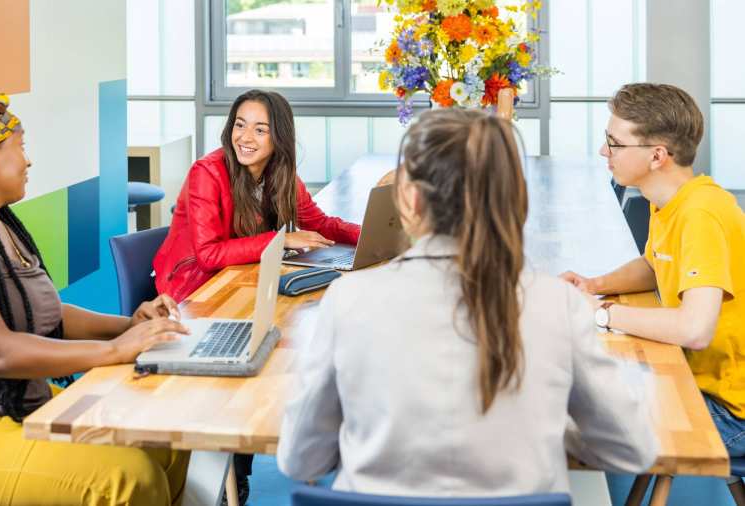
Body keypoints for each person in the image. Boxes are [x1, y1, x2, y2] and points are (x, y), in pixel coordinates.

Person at [276, 107, 658, 497]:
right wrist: (549, 420)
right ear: (514, 198)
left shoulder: (348, 300)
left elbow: (300, 459)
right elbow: (633, 449)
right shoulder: (557, 304)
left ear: (407, 200)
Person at [0, 93, 190, 506]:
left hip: (15, 404)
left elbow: (45, 314)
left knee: (163, 437)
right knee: (127, 479)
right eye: (20, 146)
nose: (27, 160)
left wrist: (130, 325)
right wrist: (115, 351)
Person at [561, 83, 745, 465]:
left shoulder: (700, 214)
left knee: (564, 424)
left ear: (657, 156)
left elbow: (695, 330)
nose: (603, 152)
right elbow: (653, 265)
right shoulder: (674, 200)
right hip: (708, 388)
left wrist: (599, 314)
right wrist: (595, 285)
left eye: (614, 143)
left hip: (731, 412)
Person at [153, 89, 360, 303]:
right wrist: (283, 240)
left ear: (279, 137)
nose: (245, 137)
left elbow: (318, 223)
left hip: (240, 276)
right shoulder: (207, 172)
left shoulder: (280, 172)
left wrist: (366, 236)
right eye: (240, 125)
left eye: (260, 130)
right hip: (194, 288)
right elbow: (208, 255)